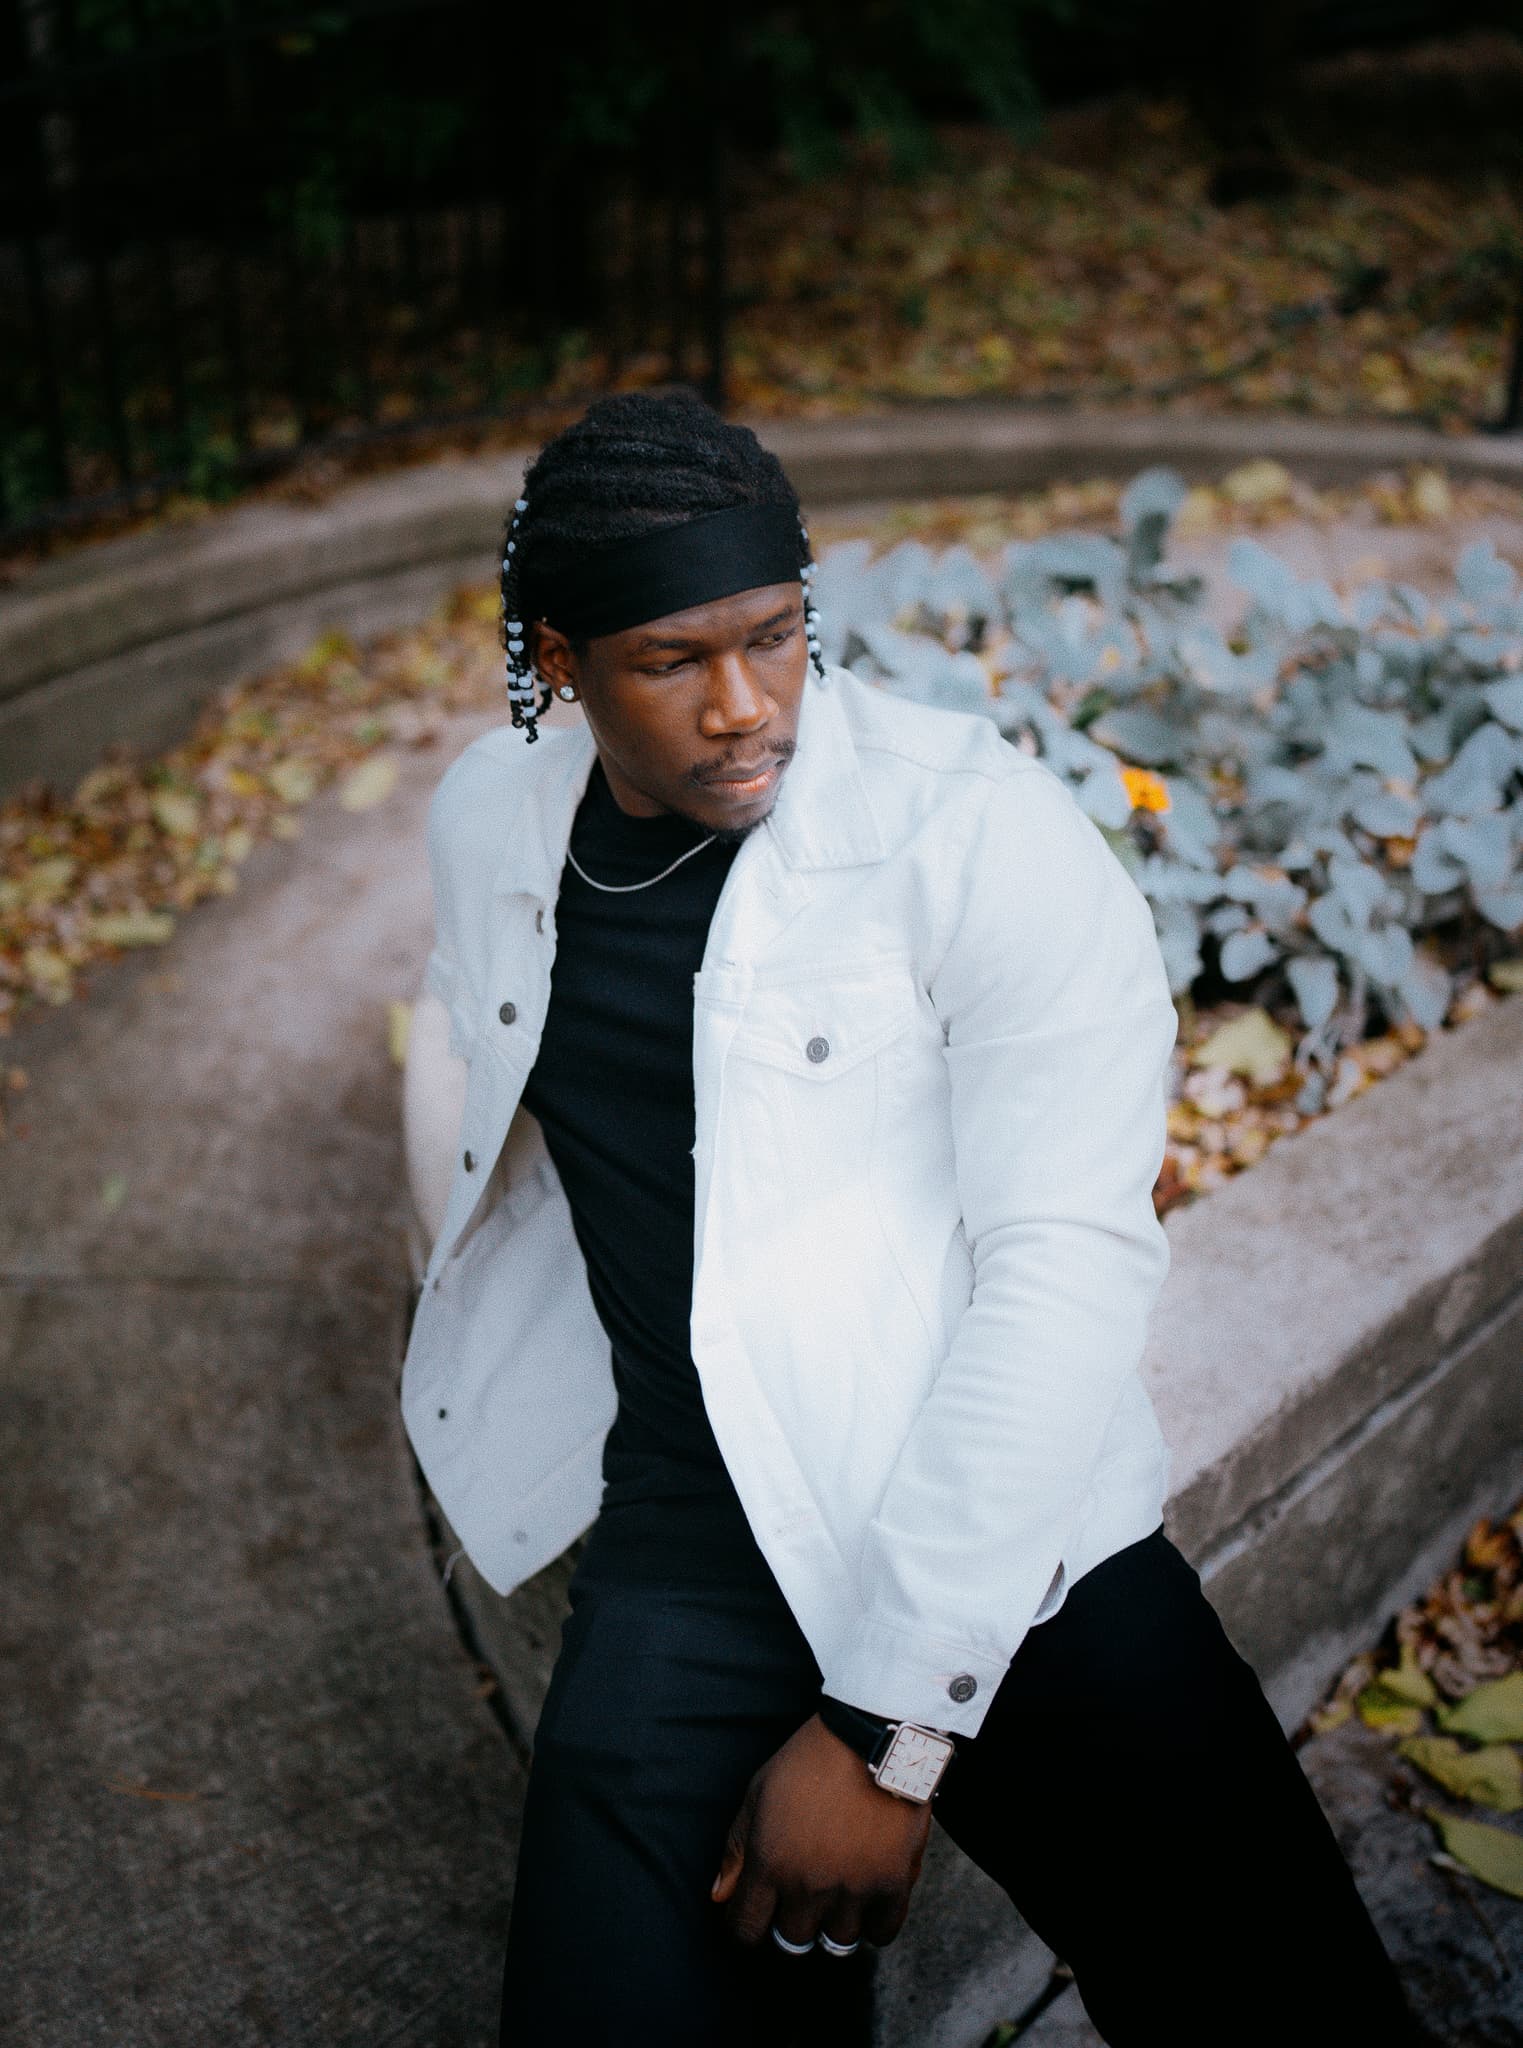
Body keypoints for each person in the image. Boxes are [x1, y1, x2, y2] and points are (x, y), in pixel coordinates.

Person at [400, 389, 1415, 2046]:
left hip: (1014, 1556)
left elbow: (1064, 1274)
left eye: (777, 637)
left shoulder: (972, 834)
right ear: (559, 659)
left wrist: (886, 1731)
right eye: (673, 661)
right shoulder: (487, 823)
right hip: (688, 1553)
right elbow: (502, 1105)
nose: (747, 709)